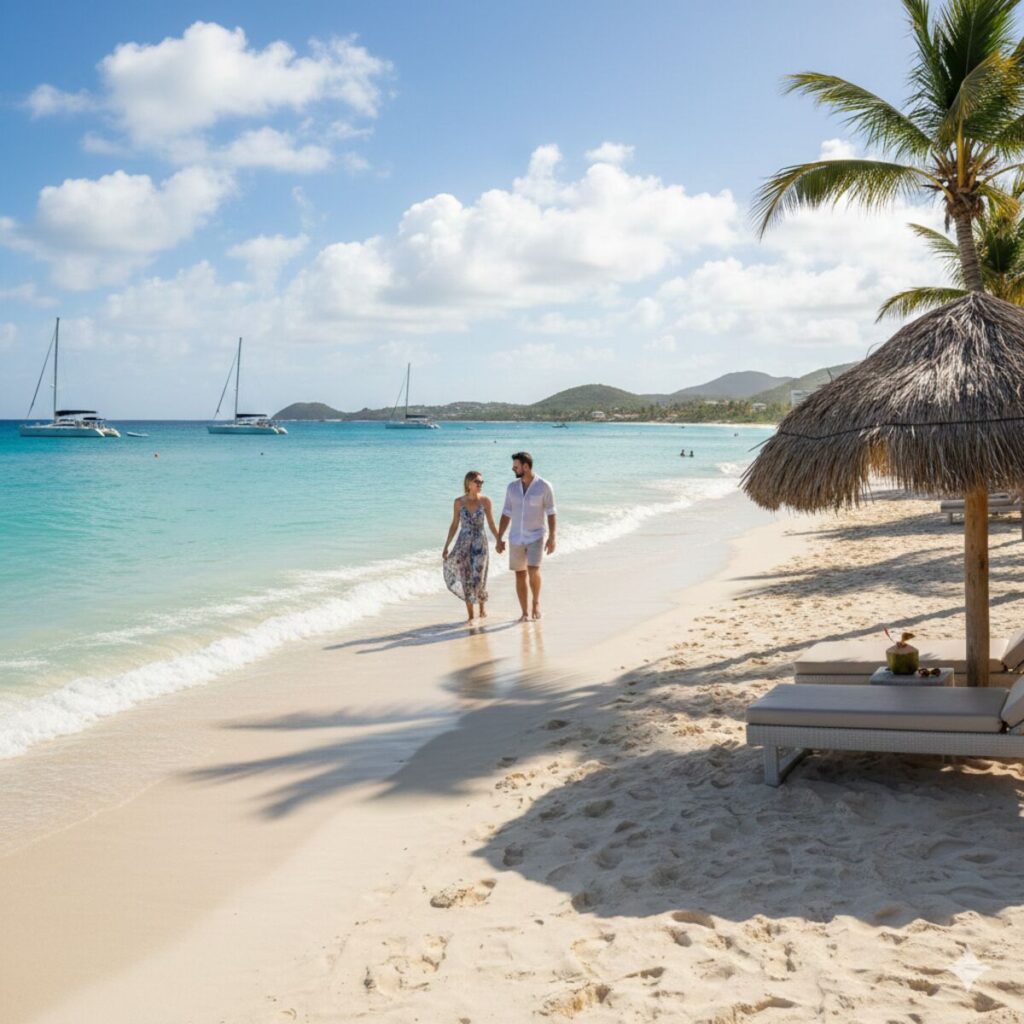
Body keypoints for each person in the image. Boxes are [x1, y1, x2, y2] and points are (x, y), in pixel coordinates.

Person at [495, 451, 557, 621]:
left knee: (533, 570)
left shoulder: (544, 486)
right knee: (519, 574)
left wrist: (552, 537)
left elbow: (551, 513)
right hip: (516, 537)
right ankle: (524, 612)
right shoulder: (512, 488)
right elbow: (506, 513)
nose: (513, 469)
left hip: (536, 536)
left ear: (526, 466)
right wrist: (499, 537)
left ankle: (536, 602)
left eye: (516, 466)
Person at [443, 471, 499, 623]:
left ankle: (482, 609)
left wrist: (499, 539)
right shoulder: (458, 502)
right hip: (463, 544)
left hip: (480, 544)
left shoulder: (486, 501)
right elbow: (454, 524)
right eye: (477, 482)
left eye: (481, 482)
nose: (480, 484)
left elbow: (492, 524)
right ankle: (470, 616)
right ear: (468, 483)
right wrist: (447, 545)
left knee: (479, 578)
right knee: (466, 578)